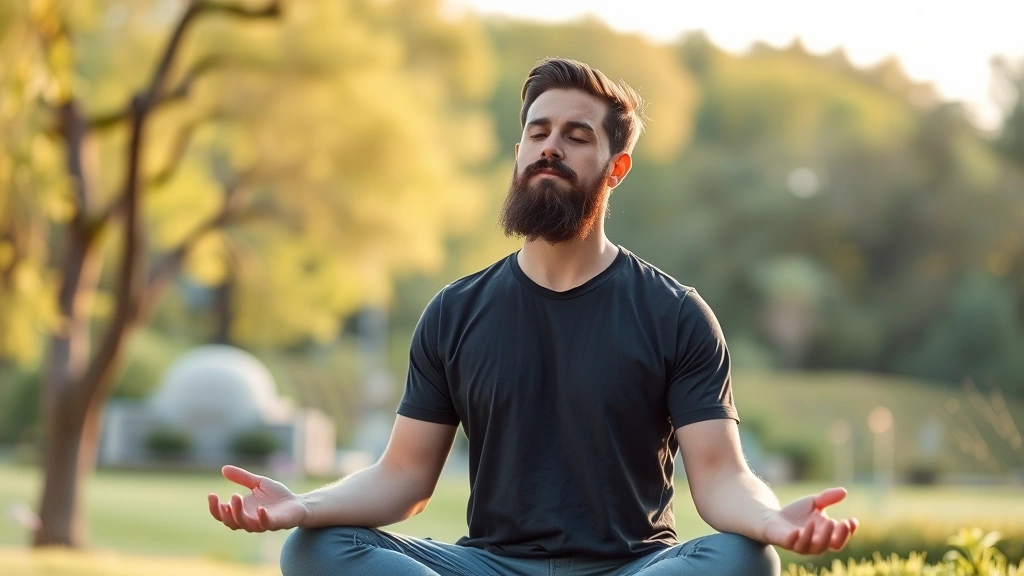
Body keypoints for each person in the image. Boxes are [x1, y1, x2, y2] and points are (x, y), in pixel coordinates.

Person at [208, 57, 858, 576]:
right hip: (487, 564)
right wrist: (303, 505)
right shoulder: (454, 312)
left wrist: (772, 521)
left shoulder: (676, 314)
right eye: (538, 133)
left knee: (744, 559)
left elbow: (720, 477)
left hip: (632, 566)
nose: (551, 148)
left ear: (616, 168)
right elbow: (403, 477)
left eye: (576, 137)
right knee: (316, 549)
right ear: (519, 153)